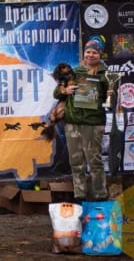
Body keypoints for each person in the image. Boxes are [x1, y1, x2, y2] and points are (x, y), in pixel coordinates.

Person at [53, 35, 111, 202]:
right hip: (73, 123)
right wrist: (66, 90)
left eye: (94, 52)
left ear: (100, 54)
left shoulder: (106, 74)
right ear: (84, 54)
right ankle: (79, 196)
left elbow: (113, 101)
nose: (90, 55)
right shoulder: (74, 72)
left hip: (94, 123)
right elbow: (56, 93)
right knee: (76, 161)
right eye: (88, 52)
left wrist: (109, 95)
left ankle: (100, 195)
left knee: (95, 161)